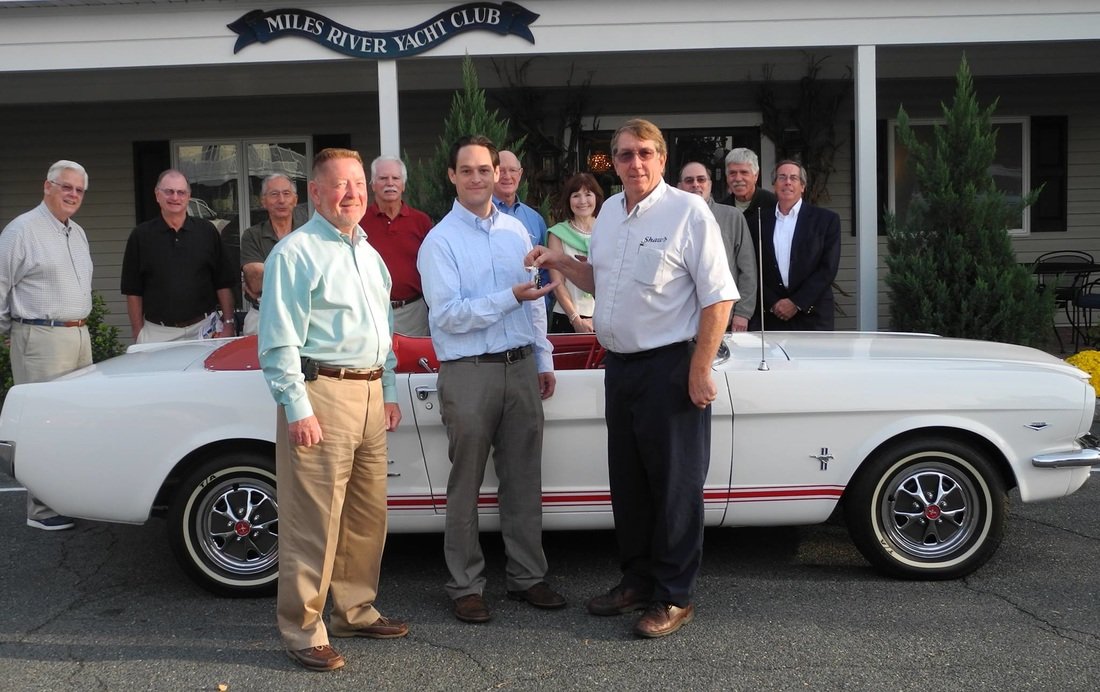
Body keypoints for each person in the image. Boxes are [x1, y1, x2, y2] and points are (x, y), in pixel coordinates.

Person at [527, 119, 737, 639]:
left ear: (662, 159)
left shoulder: (687, 212)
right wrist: (561, 261)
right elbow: (600, 279)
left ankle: (674, 595)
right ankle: (638, 580)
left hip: (671, 368)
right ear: (613, 162)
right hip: (619, 368)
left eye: (645, 153)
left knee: (675, 487)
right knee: (631, 485)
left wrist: (700, 369)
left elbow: (719, 297)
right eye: (624, 155)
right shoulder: (612, 216)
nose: (635, 163)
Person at [258, 148, 408, 673]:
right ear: (316, 194)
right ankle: (304, 630)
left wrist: (387, 391)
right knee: (313, 520)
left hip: (368, 396)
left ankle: (354, 609)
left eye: (359, 184)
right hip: (322, 395)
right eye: (340, 185)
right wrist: (297, 408)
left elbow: (384, 333)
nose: (353, 193)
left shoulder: (369, 254)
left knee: (367, 515)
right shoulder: (295, 254)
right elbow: (278, 343)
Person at [417, 135, 565, 625]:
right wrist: (510, 298)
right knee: (466, 484)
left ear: (498, 173)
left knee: (524, 479)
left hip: (521, 366)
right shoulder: (440, 241)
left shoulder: (516, 233)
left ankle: (527, 577)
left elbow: (539, 300)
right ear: (453, 176)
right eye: (469, 170)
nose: (480, 177)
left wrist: (543, 359)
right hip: (469, 373)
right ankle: (465, 585)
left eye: (487, 169)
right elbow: (449, 316)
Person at [0, 160, 94, 531]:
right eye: (65, 187)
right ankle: (40, 509)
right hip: (40, 337)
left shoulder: (77, 232)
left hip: (78, 335)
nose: (72, 195)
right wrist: (16, 331)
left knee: (73, 422)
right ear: (48, 187)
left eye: (79, 190)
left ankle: (65, 497)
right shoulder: (22, 230)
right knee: (43, 424)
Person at [120, 169, 237, 343]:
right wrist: (138, 332)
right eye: (169, 191)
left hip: (205, 329)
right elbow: (133, 291)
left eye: (181, 192)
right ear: (157, 194)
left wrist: (228, 323)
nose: (175, 197)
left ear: (188, 196)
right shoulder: (141, 236)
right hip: (158, 333)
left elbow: (223, 283)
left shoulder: (207, 232)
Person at [751, 160, 841, 331]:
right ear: (774, 185)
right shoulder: (757, 221)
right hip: (772, 315)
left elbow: (828, 268)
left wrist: (796, 302)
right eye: (782, 177)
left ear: (802, 186)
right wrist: (773, 302)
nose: (787, 182)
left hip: (813, 314)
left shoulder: (826, 221)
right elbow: (753, 269)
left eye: (794, 178)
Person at [678, 161, 757, 332]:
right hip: (679, 323)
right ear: (679, 186)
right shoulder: (670, 220)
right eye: (689, 180)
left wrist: (743, 313)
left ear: (710, 184)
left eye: (701, 179)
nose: (696, 185)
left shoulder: (732, 217)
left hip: (722, 320)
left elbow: (748, 270)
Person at [361, 155, 433, 336]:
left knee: (414, 363)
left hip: (413, 312)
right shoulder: (359, 222)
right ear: (373, 185)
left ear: (403, 185)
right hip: (371, 311)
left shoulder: (421, 221)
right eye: (383, 178)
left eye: (395, 178)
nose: (390, 183)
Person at [239, 173, 305, 335]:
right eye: (274, 194)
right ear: (263, 201)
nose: (281, 200)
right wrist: (299, 274)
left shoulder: (309, 234)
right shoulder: (252, 235)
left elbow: (319, 278)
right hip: (262, 316)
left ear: (295, 200)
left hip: (302, 315)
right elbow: (255, 282)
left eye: (286, 194)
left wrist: (268, 274)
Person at [546, 173, 603, 333]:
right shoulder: (557, 234)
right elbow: (557, 283)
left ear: (596, 198)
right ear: (568, 200)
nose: (582, 201)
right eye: (576, 195)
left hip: (605, 318)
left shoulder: (609, 230)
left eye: (588, 194)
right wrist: (575, 319)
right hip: (568, 317)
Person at [494, 150, 549, 293]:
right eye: (501, 170)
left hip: (531, 306)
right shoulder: (482, 216)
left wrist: (541, 296)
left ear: (520, 174)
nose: (507, 176)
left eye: (512, 170)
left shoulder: (535, 219)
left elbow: (544, 268)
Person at [719, 147, 777, 235]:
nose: (738, 178)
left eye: (744, 172)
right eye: (732, 173)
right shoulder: (722, 209)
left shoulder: (773, 205)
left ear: (756, 176)